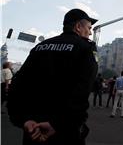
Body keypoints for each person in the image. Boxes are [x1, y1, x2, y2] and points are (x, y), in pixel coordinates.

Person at [7, 8, 98, 145]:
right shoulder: (84, 49)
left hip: (34, 130)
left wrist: (23, 119)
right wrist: (58, 124)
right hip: (63, 132)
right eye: (89, 28)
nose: (90, 32)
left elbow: (17, 85)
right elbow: (81, 93)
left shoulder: (40, 47)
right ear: (78, 26)